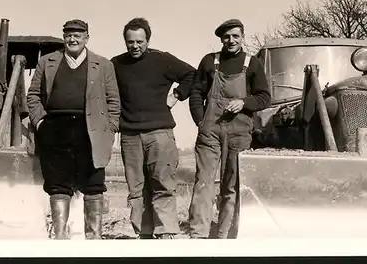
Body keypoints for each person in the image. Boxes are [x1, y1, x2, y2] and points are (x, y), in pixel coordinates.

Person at [27, 19, 120, 240]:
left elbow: (113, 102)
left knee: (93, 183)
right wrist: (41, 123)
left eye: (78, 35)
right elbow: (33, 96)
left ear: (87, 37)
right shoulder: (47, 62)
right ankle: (60, 237)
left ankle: (94, 237)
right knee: (58, 184)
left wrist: (110, 129)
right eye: (68, 34)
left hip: (90, 130)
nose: (73, 39)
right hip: (55, 129)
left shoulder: (103, 65)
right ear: (63, 38)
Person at [111, 17, 196, 239]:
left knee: (163, 185)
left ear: (148, 40)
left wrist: (177, 95)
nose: (135, 46)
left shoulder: (162, 60)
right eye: (131, 42)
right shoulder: (116, 64)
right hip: (129, 135)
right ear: (125, 41)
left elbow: (192, 75)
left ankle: (166, 234)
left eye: (140, 41)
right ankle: (144, 235)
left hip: (160, 134)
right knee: (136, 189)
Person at [187, 19, 271, 239]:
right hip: (210, 131)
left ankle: (225, 235)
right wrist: (200, 120)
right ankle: (198, 235)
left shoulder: (252, 63)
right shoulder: (209, 61)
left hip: (240, 132)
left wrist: (244, 102)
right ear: (221, 39)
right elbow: (196, 93)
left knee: (231, 185)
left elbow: (264, 97)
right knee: (203, 182)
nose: (231, 40)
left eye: (235, 36)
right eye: (226, 37)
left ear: (242, 37)